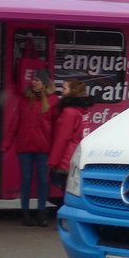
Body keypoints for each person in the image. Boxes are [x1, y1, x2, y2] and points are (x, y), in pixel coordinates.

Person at [1, 70, 59, 226]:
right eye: (33, 79)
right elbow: (15, 124)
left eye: (37, 80)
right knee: (26, 180)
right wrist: (5, 144)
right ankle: (25, 215)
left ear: (44, 83)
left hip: (44, 148)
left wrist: (56, 150)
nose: (33, 82)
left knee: (42, 181)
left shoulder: (53, 101)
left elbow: (57, 128)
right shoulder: (25, 100)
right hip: (25, 146)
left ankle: (41, 214)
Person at [48, 78, 96, 224]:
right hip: (77, 154)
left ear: (72, 91)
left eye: (64, 88)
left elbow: (62, 138)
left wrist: (53, 161)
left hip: (67, 157)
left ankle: (69, 220)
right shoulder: (83, 111)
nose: (62, 92)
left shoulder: (69, 112)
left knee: (66, 191)